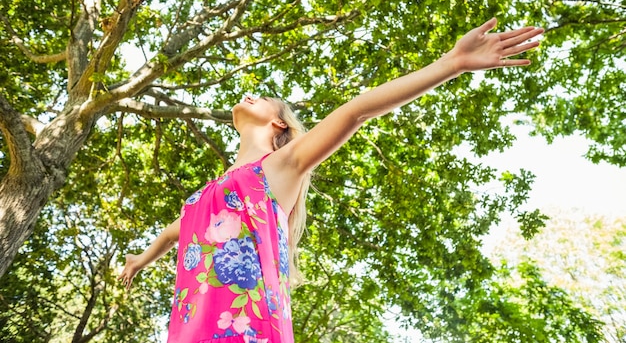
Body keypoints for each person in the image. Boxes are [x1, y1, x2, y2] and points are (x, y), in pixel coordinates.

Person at [118, 18, 544, 343]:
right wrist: (141, 257)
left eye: (264, 96)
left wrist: (452, 64)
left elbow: (356, 110)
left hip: (245, 330)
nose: (252, 93)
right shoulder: (211, 194)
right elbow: (181, 229)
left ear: (277, 122)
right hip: (190, 328)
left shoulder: (279, 167)